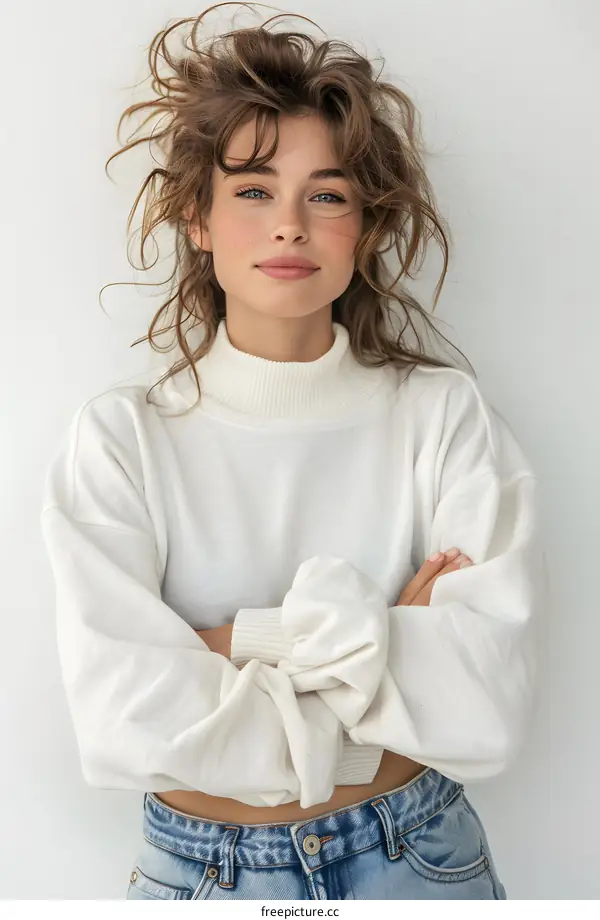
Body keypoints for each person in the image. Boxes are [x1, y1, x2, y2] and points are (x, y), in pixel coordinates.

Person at [40, 5, 548, 900]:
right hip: (198, 871)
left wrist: (220, 647)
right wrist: (384, 639)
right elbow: (123, 719)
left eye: (326, 193)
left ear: (368, 225)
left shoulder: (443, 417)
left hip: (418, 859)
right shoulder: (122, 441)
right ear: (195, 219)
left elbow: (486, 707)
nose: (289, 225)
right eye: (251, 189)